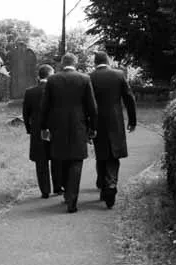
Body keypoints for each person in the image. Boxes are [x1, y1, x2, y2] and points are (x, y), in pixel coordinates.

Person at [39, 52, 98, 213]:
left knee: (62, 160)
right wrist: (93, 127)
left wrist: (44, 127)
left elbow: (44, 107)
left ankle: (67, 193)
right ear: (76, 63)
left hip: (57, 127)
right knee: (76, 162)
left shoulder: (52, 79)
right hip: (78, 126)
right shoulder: (84, 79)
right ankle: (72, 198)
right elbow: (92, 107)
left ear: (62, 64)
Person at [89, 51, 137, 209]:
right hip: (115, 120)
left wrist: (87, 124)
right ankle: (110, 184)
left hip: (97, 121)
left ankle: (104, 186)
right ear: (108, 61)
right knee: (113, 154)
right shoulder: (118, 75)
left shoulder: (90, 77)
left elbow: (87, 102)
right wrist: (132, 120)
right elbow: (129, 98)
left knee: (101, 153)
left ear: (95, 62)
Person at [22, 64, 63, 198]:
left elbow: (26, 114)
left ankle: (45, 191)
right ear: (50, 75)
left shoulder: (30, 92)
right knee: (56, 158)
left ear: (39, 76)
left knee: (41, 160)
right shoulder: (57, 90)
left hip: (38, 131)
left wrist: (29, 130)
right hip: (53, 130)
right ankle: (57, 187)